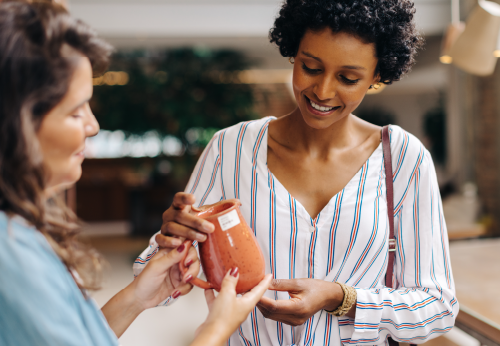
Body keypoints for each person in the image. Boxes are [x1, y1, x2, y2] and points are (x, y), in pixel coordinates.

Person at [135, 0, 459, 345]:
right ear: (293, 54)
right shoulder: (231, 149)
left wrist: (341, 297)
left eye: (348, 78)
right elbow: (155, 281)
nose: (322, 91)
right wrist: (173, 243)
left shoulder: (404, 159)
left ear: (377, 76)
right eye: (311, 67)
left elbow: (438, 307)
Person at [0, 1, 272, 345]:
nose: (93, 125)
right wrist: (214, 332)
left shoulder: (20, 232)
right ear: (17, 125)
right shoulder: (11, 252)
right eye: (74, 111)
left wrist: (136, 297)